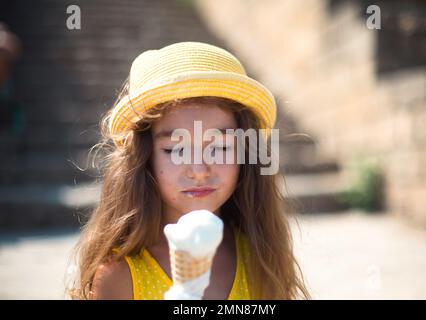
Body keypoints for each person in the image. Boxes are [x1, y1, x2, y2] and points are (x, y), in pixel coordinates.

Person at [67, 42, 309, 300]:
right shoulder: (120, 275)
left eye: (220, 147)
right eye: (175, 150)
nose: (199, 170)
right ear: (143, 158)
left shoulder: (260, 256)